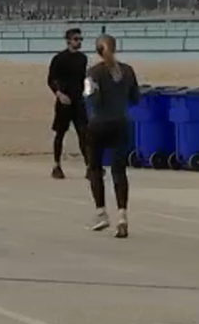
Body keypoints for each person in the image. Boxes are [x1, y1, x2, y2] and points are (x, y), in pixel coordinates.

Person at [83, 34, 140, 238]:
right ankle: (122, 215)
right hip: (120, 124)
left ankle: (101, 213)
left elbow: (91, 99)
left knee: (95, 169)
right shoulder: (128, 71)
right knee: (119, 171)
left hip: (98, 124)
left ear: (98, 51)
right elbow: (135, 97)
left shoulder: (93, 73)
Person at [47, 28, 90, 179]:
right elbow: (51, 79)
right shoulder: (59, 58)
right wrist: (59, 94)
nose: (79, 42)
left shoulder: (82, 58)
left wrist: (88, 92)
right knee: (60, 134)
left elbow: (84, 78)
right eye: (76, 39)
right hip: (64, 101)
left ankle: (89, 166)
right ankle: (56, 165)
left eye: (80, 39)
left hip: (79, 100)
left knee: (84, 134)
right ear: (68, 41)